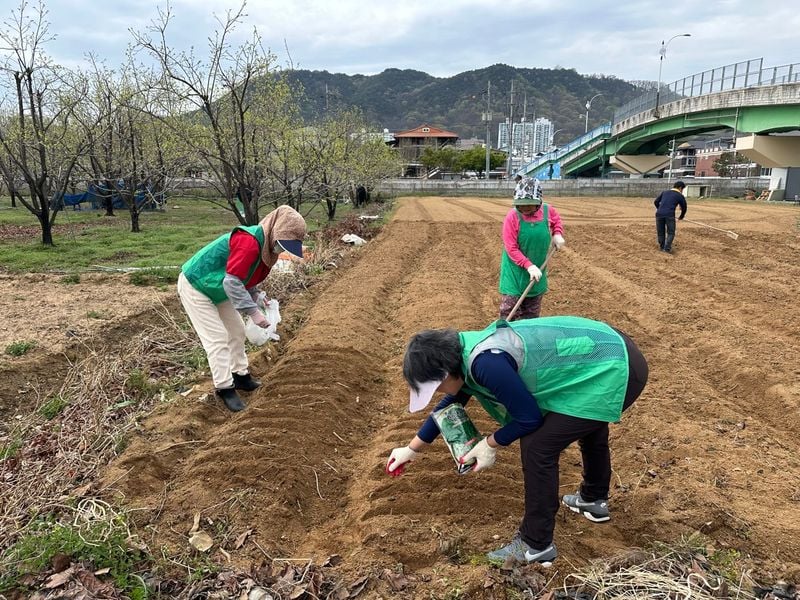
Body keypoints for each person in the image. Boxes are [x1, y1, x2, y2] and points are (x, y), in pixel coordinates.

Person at [385, 316, 649, 565]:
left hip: (615, 366)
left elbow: (528, 418)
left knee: (538, 445)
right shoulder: (462, 353)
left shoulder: (486, 364)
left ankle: (536, 545)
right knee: (587, 422)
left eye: (436, 385)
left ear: (445, 373)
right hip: (610, 352)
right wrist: (412, 449)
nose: (437, 392)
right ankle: (593, 499)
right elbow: (450, 405)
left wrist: (489, 444)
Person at [177, 205, 306, 412]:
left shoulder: (265, 249)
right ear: (275, 231)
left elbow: (247, 276)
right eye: (282, 244)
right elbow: (233, 282)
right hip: (198, 285)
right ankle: (225, 388)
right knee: (217, 338)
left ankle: (240, 376)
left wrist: (256, 297)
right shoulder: (249, 243)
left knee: (236, 330)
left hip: (218, 286)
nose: (282, 250)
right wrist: (253, 313)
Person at [499, 177, 565, 320]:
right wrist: (528, 266)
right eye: (521, 205)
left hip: (538, 270)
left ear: (538, 202)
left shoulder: (548, 211)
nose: (525, 208)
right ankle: (507, 340)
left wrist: (557, 234)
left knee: (531, 314)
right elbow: (511, 248)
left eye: (529, 205)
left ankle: (528, 340)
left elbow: (556, 221)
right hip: (514, 273)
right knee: (509, 312)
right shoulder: (512, 217)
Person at [654, 181, 687, 253]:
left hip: (659, 214)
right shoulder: (679, 195)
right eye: (682, 189)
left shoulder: (665, 192)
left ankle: (662, 247)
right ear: (680, 188)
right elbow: (684, 208)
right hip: (669, 215)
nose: (682, 191)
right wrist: (681, 216)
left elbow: (656, 202)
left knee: (660, 232)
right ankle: (667, 248)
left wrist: (660, 209)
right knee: (671, 232)